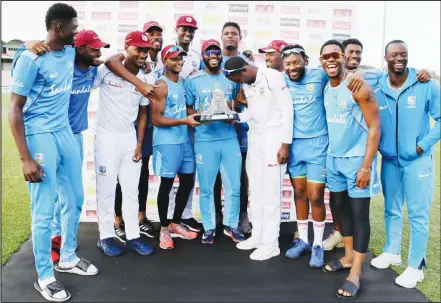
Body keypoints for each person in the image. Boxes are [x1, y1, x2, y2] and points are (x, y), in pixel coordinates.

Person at [8, 3, 98, 301]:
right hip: (40, 136)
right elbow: (15, 109)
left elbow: (100, 56)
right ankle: (45, 277)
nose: (77, 31)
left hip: (65, 134)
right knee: (44, 210)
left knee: (75, 198)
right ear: (59, 27)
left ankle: (68, 257)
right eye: (73, 27)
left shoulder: (72, 52)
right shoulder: (31, 59)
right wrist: (25, 158)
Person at [322, 38, 432, 251]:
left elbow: (399, 73)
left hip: (362, 156)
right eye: (351, 52)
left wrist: (422, 71)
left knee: (359, 208)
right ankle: (340, 236)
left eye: (358, 53)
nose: (354, 56)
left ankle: (359, 256)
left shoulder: (374, 76)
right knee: (339, 204)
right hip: (337, 157)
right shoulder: (328, 79)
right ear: (343, 54)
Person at [19, 30, 111, 263]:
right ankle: (53, 239)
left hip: (74, 137)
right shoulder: (63, 64)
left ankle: (65, 244)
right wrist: (25, 43)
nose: (98, 52)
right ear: (77, 49)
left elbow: (115, 61)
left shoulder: (92, 70)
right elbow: (32, 55)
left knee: (69, 194)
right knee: (52, 194)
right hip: (48, 136)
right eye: (93, 47)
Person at [281, 44, 364, 268]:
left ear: (306, 61)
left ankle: (318, 244)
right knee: (299, 193)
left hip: (318, 145)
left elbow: (350, 70)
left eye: (297, 62)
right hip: (295, 146)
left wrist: (360, 72)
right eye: (288, 64)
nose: (292, 67)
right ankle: (303, 241)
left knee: (316, 195)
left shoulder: (319, 75)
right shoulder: (281, 79)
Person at [371, 40, 440, 289]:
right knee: (392, 210)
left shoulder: (426, 84)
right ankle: (392, 251)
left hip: (417, 161)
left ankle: (416, 267)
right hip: (390, 161)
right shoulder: (377, 85)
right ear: (386, 58)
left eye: (404, 54)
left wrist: (422, 145)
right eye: (394, 55)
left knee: (418, 215)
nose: (399, 58)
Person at [319, 40, 381, 300]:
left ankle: (355, 272)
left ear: (344, 57)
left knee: (359, 216)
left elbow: (375, 126)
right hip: (334, 160)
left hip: (357, 162)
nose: (330, 60)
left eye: (335, 55)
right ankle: (346, 257)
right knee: (341, 212)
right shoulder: (325, 86)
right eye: (325, 56)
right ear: (321, 61)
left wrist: (366, 166)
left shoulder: (358, 86)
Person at [223, 56, 293, 261]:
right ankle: (258, 236)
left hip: (274, 140)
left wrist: (285, 144)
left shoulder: (272, 76)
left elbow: (286, 109)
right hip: (256, 140)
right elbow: (252, 114)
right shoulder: (247, 84)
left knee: (271, 194)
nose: (238, 84)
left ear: (243, 70)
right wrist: (233, 116)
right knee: (256, 191)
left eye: (236, 79)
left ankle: (271, 244)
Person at [93, 31, 155, 257]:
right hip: (106, 137)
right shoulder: (106, 70)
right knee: (106, 190)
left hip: (129, 138)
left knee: (131, 190)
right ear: (126, 47)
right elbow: (107, 62)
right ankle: (105, 237)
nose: (143, 54)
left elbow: (142, 113)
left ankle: (133, 236)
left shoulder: (147, 77)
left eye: (146, 50)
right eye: (138, 49)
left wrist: (139, 144)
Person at [185, 39, 245, 244]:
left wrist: (234, 111)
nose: (213, 55)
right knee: (207, 187)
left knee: (234, 185)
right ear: (202, 55)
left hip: (229, 138)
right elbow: (188, 109)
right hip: (205, 140)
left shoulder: (231, 79)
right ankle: (209, 227)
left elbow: (239, 105)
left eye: (216, 52)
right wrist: (200, 114)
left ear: (221, 55)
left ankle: (231, 224)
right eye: (208, 52)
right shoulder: (193, 80)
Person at [108, 21, 164, 242]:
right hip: (122, 127)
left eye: (158, 35)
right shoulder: (128, 61)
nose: (154, 38)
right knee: (119, 178)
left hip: (147, 127)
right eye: (150, 34)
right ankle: (118, 220)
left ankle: (141, 218)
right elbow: (112, 61)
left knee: (140, 174)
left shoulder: (157, 63)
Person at [150, 44, 201, 250]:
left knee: (188, 182)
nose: (179, 61)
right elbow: (156, 119)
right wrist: (184, 122)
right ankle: (163, 229)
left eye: (181, 58)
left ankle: (175, 222)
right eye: (174, 58)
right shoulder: (161, 85)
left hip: (183, 141)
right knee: (167, 185)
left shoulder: (181, 82)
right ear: (165, 61)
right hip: (167, 141)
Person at [213, 21, 252, 233]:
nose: (230, 36)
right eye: (226, 33)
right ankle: (218, 214)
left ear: (239, 37)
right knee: (216, 172)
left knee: (240, 173)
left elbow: (250, 99)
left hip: (240, 128)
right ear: (221, 36)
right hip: (216, 128)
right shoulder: (212, 60)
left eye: (234, 33)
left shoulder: (247, 62)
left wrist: (239, 103)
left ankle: (241, 214)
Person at [166, 15, 203, 233]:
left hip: (189, 120)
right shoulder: (167, 51)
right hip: (169, 121)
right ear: (176, 29)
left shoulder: (196, 56)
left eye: (191, 30)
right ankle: (170, 215)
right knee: (169, 173)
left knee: (190, 172)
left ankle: (185, 214)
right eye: (184, 29)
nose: (188, 33)